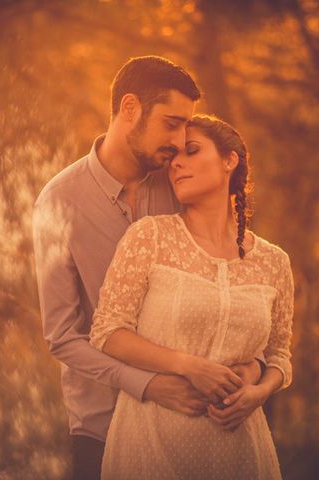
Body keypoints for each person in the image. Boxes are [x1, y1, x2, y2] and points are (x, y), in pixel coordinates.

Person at [32, 56, 264, 480]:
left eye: (186, 127)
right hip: (100, 427)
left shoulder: (182, 185)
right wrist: (149, 384)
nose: (180, 141)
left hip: (196, 424)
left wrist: (250, 373)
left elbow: (234, 285)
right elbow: (64, 337)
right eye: (172, 123)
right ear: (130, 108)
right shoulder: (58, 202)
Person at [89, 114, 294, 479]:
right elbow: (107, 332)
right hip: (151, 445)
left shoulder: (274, 262)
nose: (177, 163)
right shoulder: (149, 237)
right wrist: (189, 366)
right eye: (172, 158)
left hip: (241, 450)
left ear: (229, 160)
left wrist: (259, 392)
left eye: (192, 151)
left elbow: (279, 355)